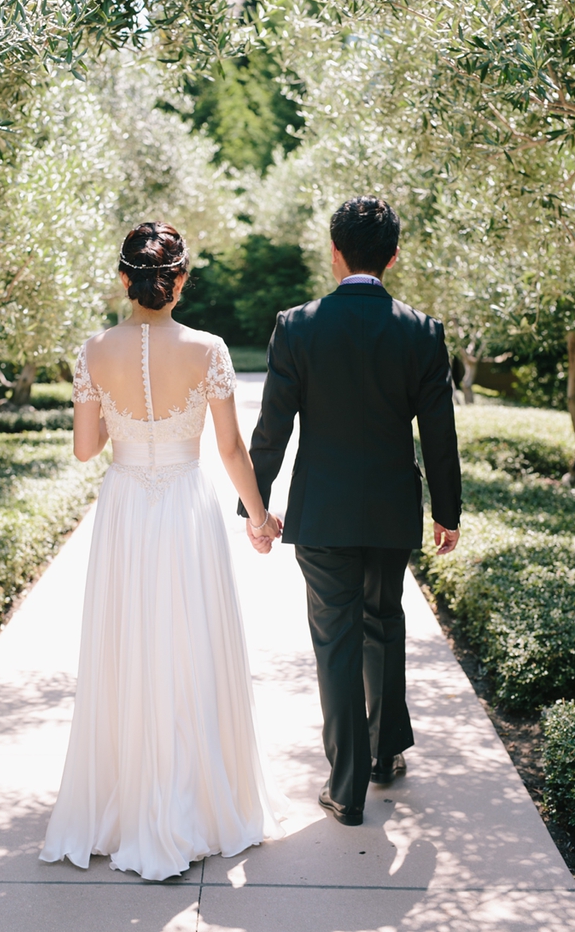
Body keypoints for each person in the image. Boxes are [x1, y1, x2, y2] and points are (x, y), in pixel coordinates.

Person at [40, 222, 285, 881]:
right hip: (185, 504)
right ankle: (196, 801)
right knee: (190, 642)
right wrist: (259, 517)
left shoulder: (93, 350)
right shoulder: (207, 349)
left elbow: (86, 450)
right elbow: (231, 449)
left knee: (126, 644)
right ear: (179, 279)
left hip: (125, 505)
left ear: (125, 278)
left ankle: (123, 804)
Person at [239, 196, 462, 826]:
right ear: (393, 256)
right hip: (392, 511)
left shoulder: (298, 325)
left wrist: (255, 508)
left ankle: (346, 787)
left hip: (322, 513)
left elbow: (272, 428)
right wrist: (448, 512)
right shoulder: (421, 330)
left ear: (333, 252)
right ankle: (386, 755)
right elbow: (439, 436)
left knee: (334, 641)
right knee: (383, 624)